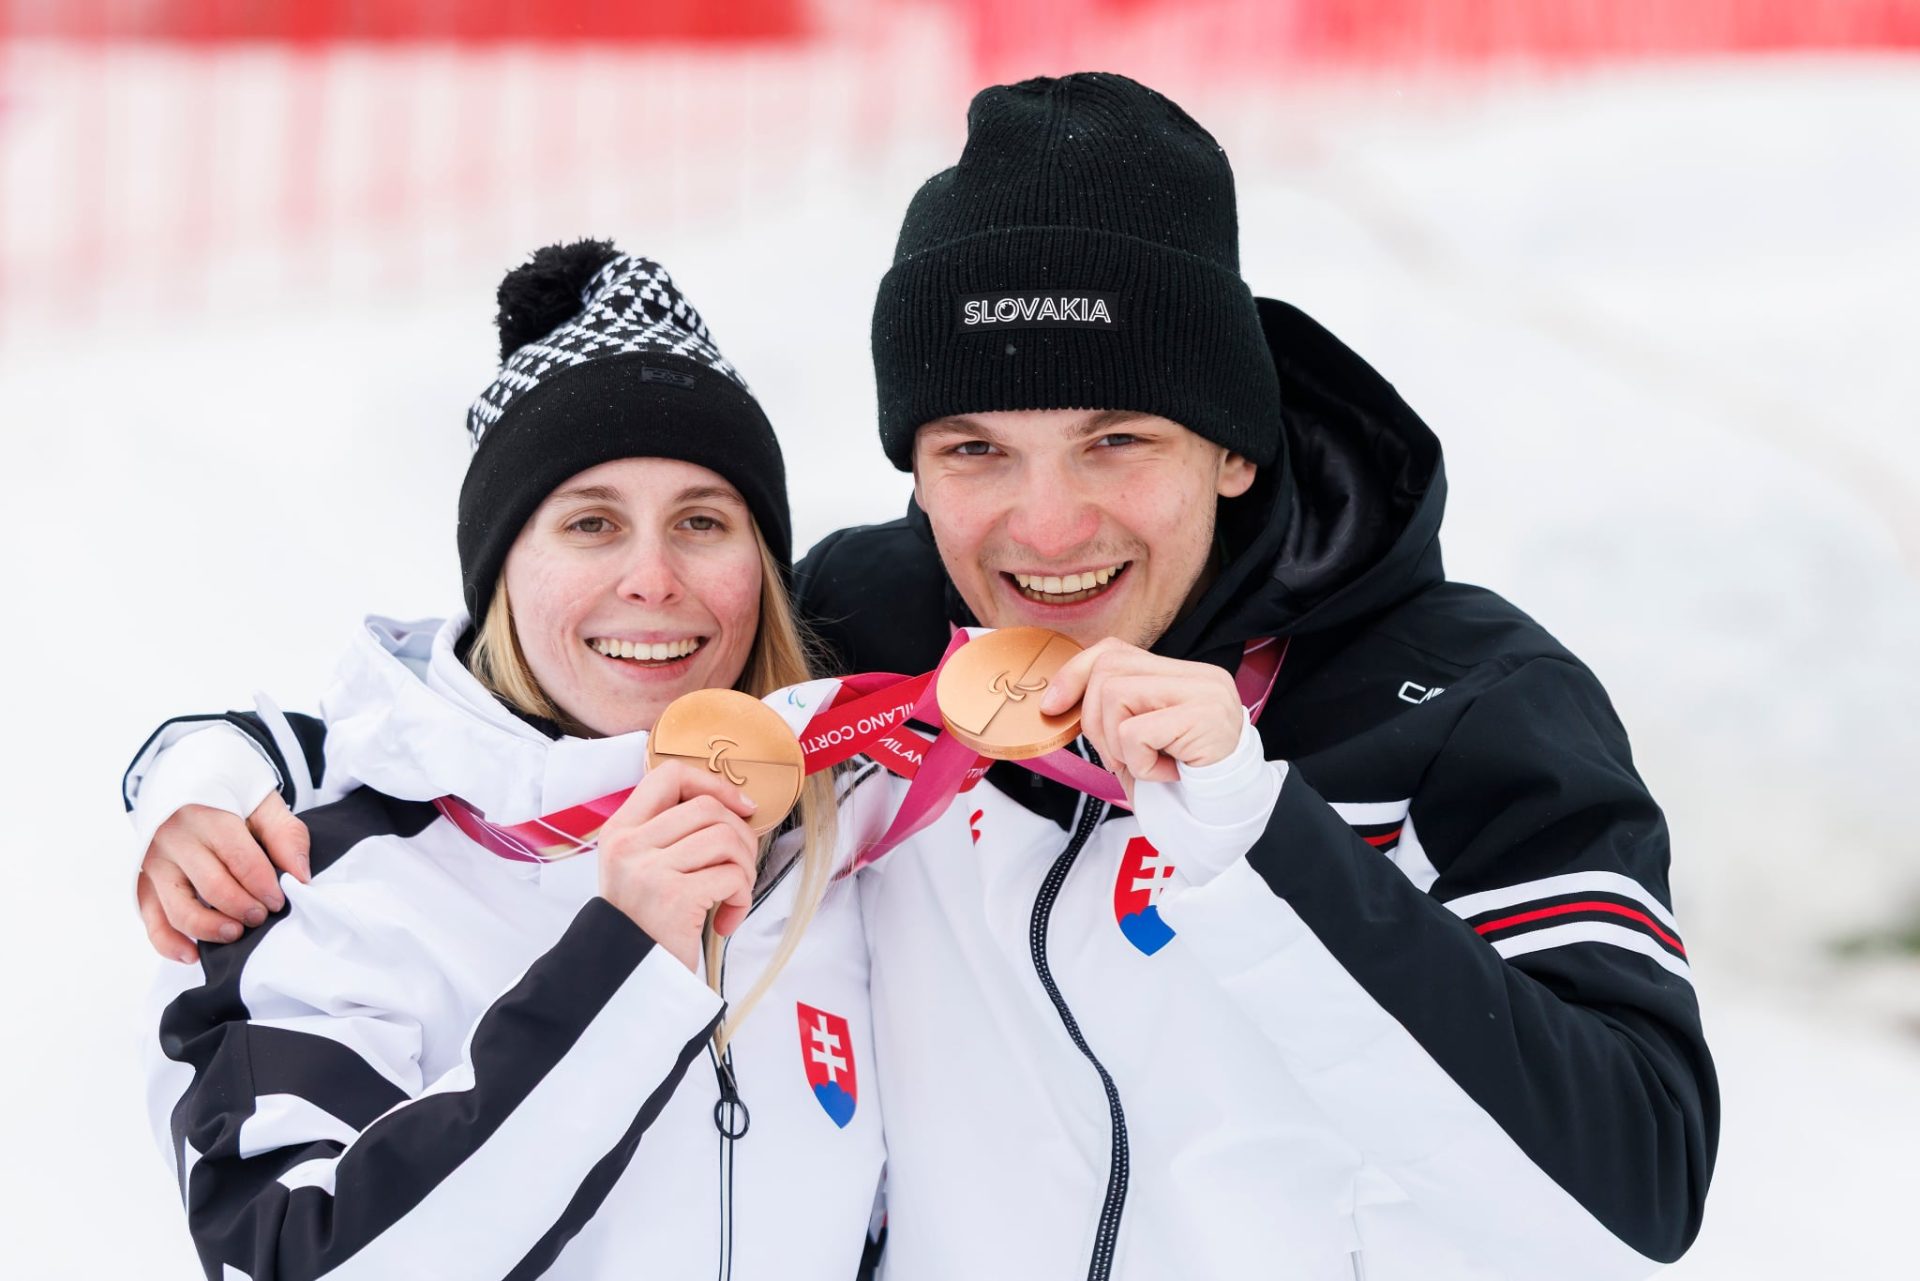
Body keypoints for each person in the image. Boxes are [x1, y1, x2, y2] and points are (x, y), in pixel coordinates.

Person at [129, 75, 1717, 1280]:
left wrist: (1263, 837)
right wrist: (212, 769)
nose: (1045, 528)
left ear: (1236, 444)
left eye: (1117, 438)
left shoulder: (1461, 705)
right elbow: (534, 697)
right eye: (973, 450)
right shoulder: (884, 626)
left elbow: (1635, 1186)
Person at [134, 244, 889, 1280]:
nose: (653, 578)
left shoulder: (846, 842)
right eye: (591, 523)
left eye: (702, 522)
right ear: (500, 570)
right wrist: (623, 963)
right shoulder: (319, 882)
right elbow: (298, 1260)